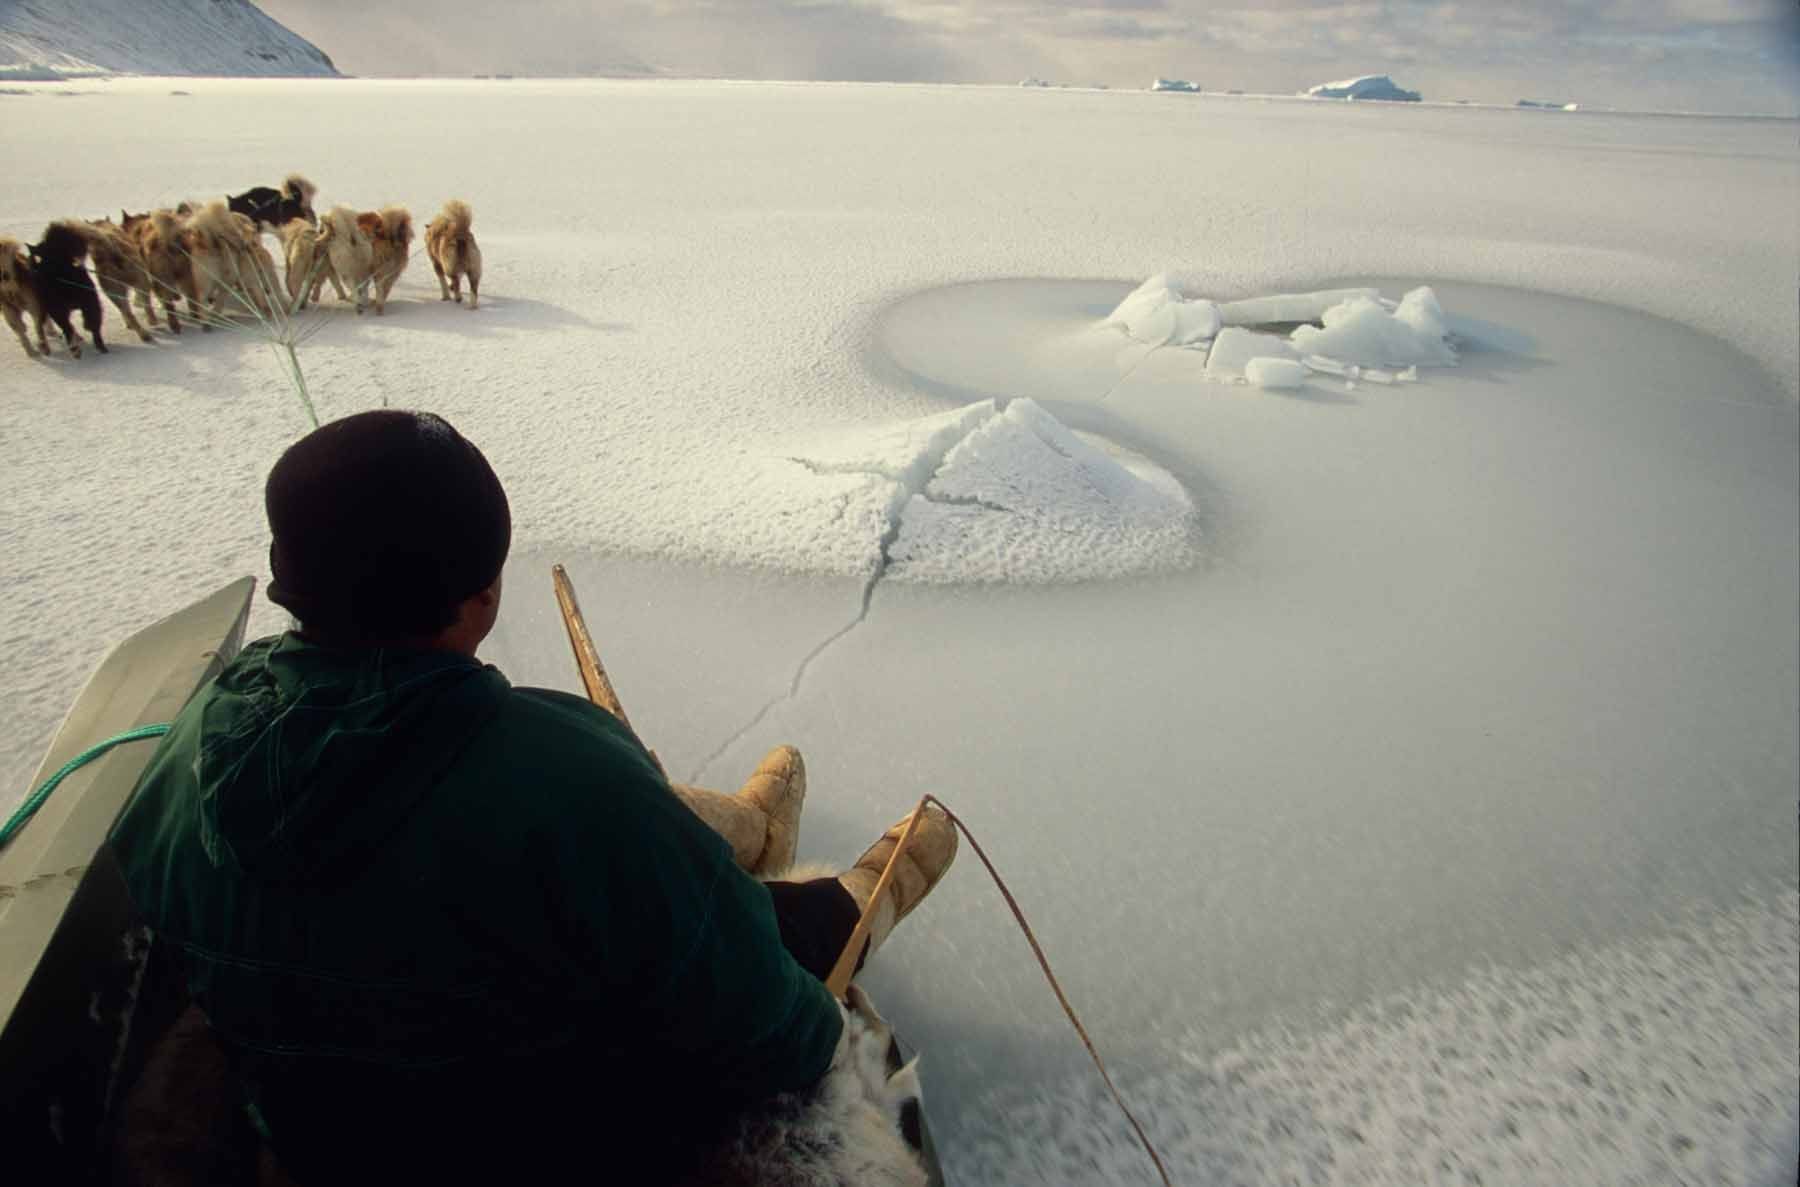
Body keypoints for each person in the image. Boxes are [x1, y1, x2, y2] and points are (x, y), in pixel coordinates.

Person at [108, 410, 957, 1185]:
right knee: (786, 930)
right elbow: (774, 1027)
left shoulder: (181, 760)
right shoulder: (566, 773)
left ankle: (756, 846)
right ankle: (870, 884)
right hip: (540, 1140)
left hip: (318, 1137)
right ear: (480, 600)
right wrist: (804, 993)